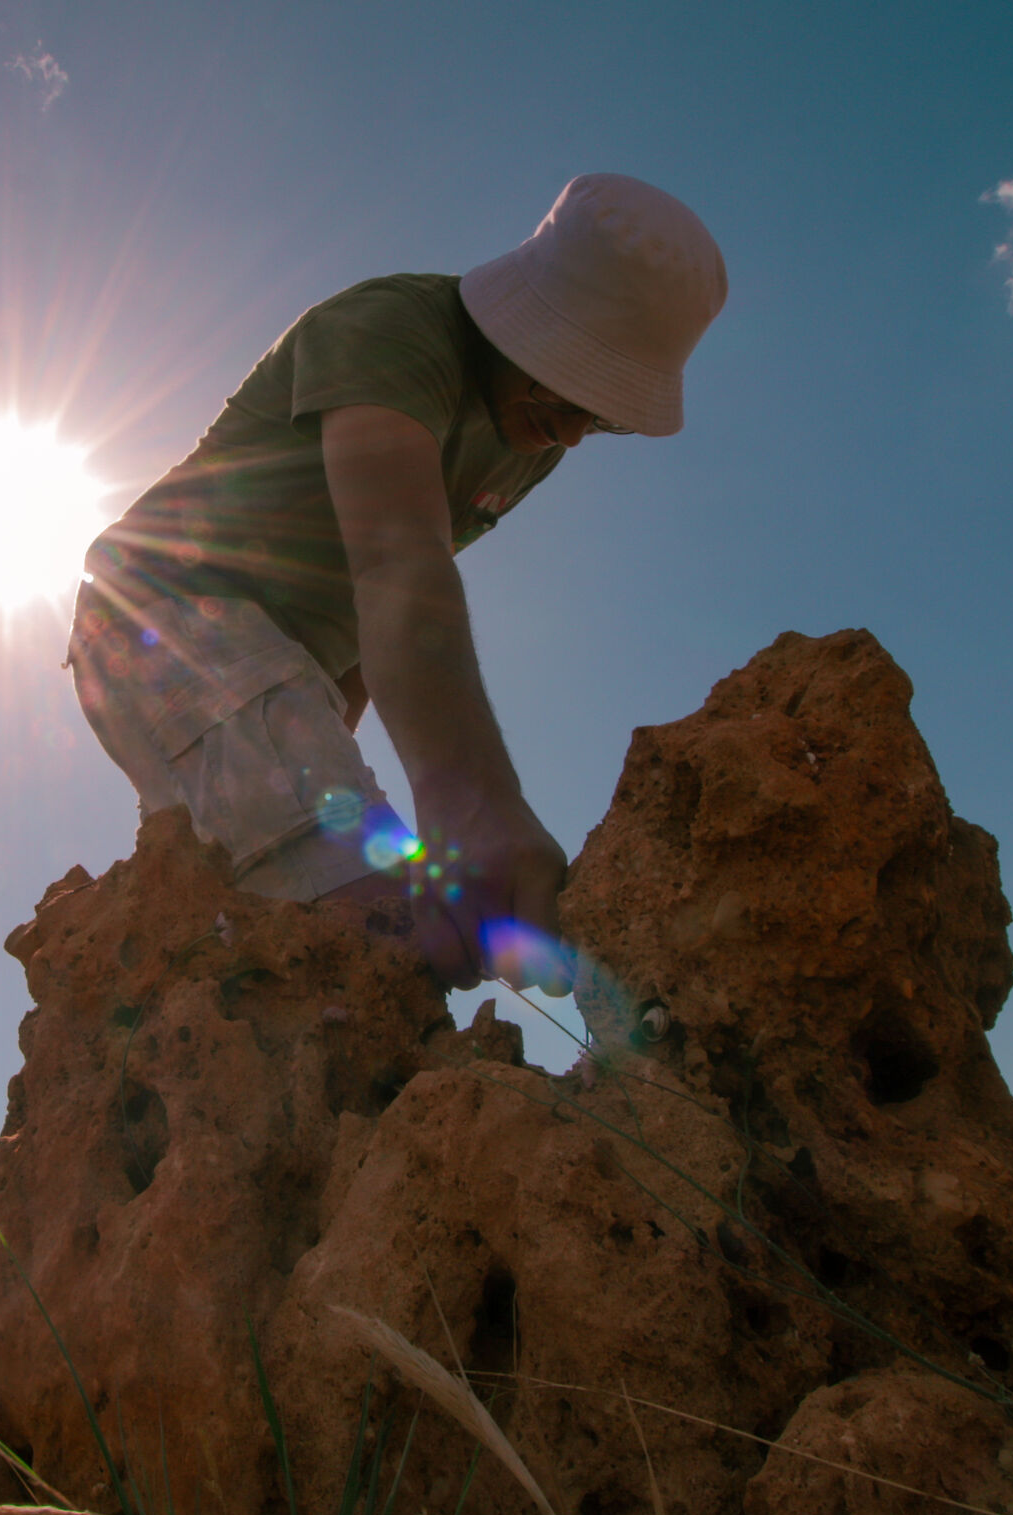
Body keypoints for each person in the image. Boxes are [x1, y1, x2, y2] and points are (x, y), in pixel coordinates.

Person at [68, 173, 727, 992]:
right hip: (162, 619)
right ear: (525, 324)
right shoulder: (390, 330)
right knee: (366, 949)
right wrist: (474, 804)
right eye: (568, 391)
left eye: (601, 414)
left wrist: (330, 774)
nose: (573, 434)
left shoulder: (535, 439)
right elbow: (396, 565)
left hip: (276, 672)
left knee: (340, 945)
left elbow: (354, 627)